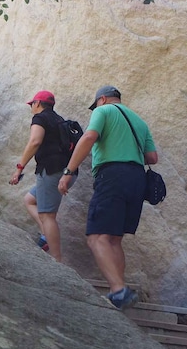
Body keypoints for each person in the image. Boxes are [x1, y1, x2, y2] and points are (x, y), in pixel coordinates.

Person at [58, 85, 158, 310]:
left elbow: (90, 136)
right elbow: (152, 157)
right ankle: (119, 290)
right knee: (113, 238)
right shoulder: (140, 122)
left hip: (112, 175)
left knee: (96, 238)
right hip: (137, 180)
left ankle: (118, 290)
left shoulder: (103, 112)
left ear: (102, 99)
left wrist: (69, 171)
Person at [9, 90, 77, 262]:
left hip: (52, 170)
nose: (31, 107)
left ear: (37, 103)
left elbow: (35, 142)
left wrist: (19, 168)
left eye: (32, 104)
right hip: (67, 171)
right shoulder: (59, 119)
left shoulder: (39, 118)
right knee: (30, 200)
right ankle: (46, 236)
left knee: (48, 216)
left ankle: (56, 261)